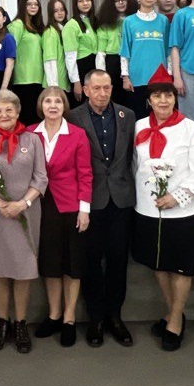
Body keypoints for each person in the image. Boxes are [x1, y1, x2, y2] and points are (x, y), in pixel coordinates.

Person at [131, 67, 194, 351]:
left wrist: (176, 197)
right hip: (148, 209)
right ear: (149, 101)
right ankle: (172, 313)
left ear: (174, 98)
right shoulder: (139, 127)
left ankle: (176, 320)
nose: (163, 101)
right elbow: (135, 166)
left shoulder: (191, 129)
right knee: (159, 264)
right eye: (157, 96)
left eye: (168, 95)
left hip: (182, 212)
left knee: (179, 267)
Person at [0, 90, 48, 354]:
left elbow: (41, 177)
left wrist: (21, 204)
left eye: (9, 110)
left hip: (26, 213)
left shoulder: (33, 140)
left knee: (23, 271)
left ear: (18, 111)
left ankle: (21, 323)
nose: (4, 115)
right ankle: (2, 322)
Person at [67, 69, 138, 347]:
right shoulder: (73, 117)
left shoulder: (127, 115)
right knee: (92, 260)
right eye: (96, 88)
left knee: (119, 260)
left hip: (121, 199)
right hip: (90, 200)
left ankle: (115, 316)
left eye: (107, 87)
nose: (102, 93)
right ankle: (95, 317)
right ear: (85, 90)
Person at [29, 87, 91, 347]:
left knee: (72, 264)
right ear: (41, 106)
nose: (52, 105)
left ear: (64, 106)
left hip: (70, 206)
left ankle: (69, 318)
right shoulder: (30, 133)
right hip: (41, 206)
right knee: (50, 264)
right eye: (47, 101)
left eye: (58, 101)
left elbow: (85, 173)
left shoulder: (77, 134)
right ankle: (54, 314)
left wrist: (84, 209)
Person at [118, 0, 171, 119]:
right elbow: (125, 51)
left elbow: (168, 51)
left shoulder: (163, 21)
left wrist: (169, 74)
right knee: (138, 117)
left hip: (159, 78)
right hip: (136, 78)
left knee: (160, 117)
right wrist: (125, 77)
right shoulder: (129, 21)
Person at [7, 0, 45, 125]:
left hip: (38, 79)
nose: (33, 7)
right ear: (23, 6)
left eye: (36, 4)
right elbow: (10, 53)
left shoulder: (36, 27)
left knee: (36, 120)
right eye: (29, 4)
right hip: (23, 80)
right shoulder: (17, 25)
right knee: (27, 120)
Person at [96, 0, 132, 108]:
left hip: (132, 61)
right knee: (115, 100)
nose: (120, 3)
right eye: (116, 0)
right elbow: (101, 53)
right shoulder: (105, 24)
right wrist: (101, 75)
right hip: (112, 62)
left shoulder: (135, 20)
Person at [63, 0, 99, 94]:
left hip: (95, 68)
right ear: (75, 4)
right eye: (81, 1)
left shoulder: (95, 21)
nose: (85, 3)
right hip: (81, 69)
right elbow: (70, 57)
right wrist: (76, 82)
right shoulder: (71, 25)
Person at [40, 0, 78, 101]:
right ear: (50, 13)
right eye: (56, 11)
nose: (60, 13)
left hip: (64, 83)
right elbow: (49, 62)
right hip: (55, 86)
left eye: (62, 10)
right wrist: (54, 88)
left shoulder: (65, 29)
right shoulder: (50, 32)